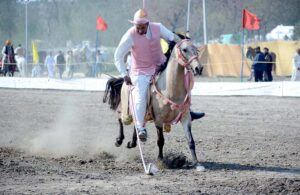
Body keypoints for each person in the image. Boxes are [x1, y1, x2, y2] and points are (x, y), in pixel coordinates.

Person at [114, 8, 204, 141]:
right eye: (137, 27)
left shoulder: (158, 27)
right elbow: (117, 56)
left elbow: (172, 37)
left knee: (183, 79)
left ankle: (187, 111)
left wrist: (184, 41)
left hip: (160, 65)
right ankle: (140, 128)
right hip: (140, 72)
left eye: (142, 27)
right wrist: (123, 73)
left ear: (148, 24)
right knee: (140, 95)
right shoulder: (130, 35)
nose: (139, 30)